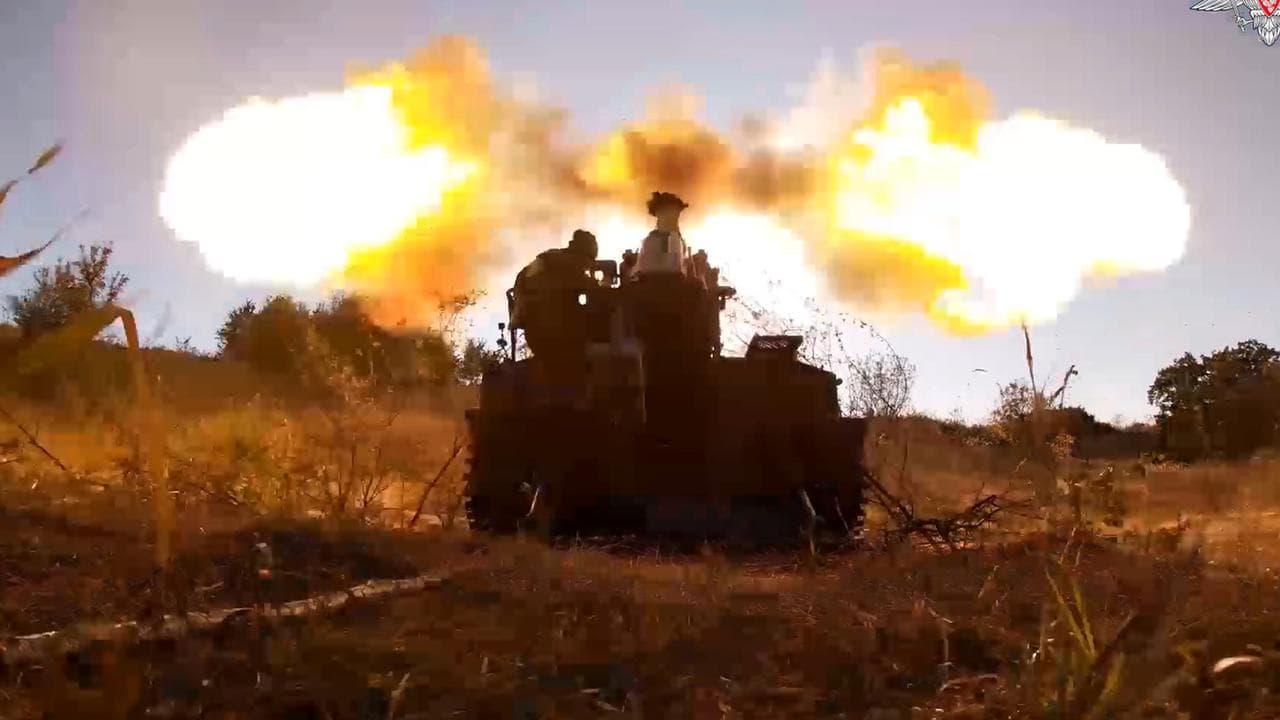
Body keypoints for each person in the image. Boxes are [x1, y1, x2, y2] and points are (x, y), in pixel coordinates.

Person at [512, 229, 599, 365]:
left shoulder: (548, 259)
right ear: (582, 254)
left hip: (536, 333)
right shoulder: (566, 266)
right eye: (589, 260)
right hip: (556, 336)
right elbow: (589, 286)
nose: (588, 266)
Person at [631, 191, 689, 278]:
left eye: (676, 214)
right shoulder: (654, 240)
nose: (675, 218)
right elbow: (664, 271)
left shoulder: (675, 238)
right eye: (670, 212)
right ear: (659, 214)